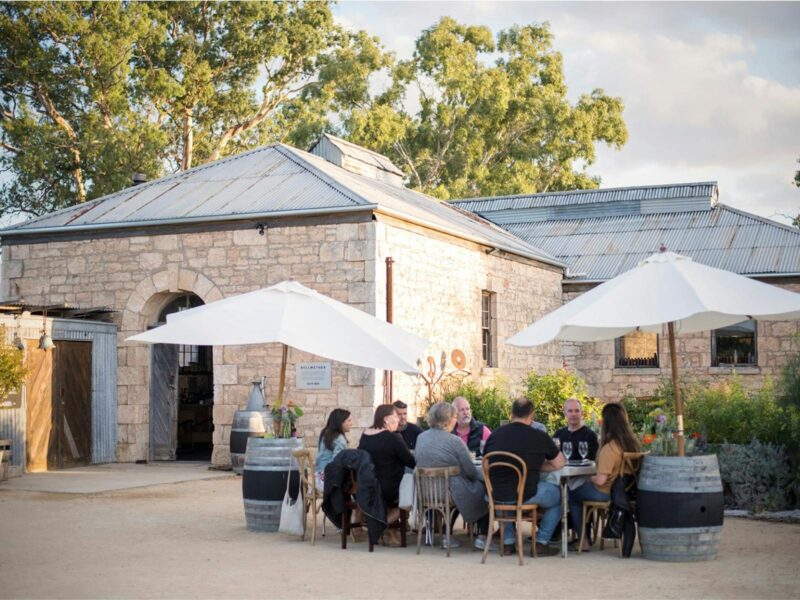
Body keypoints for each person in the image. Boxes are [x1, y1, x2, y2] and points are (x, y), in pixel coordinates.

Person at [483, 398, 564, 556]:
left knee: (503, 495)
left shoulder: (495, 435)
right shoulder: (539, 436)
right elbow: (559, 464)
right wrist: (534, 466)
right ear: (531, 415)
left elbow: (486, 465)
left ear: (511, 414)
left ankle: (508, 544)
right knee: (559, 496)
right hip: (525, 493)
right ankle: (541, 542)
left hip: (494, 495)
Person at [415, 402, 495, 551]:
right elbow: (470, 472)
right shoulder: (454, 441)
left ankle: (446, 536)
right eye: (454, 417)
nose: (456, 420)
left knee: (457, 492)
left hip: (426, 493)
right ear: (448, 420)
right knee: (483, 489)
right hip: (450, 492)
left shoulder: (421, 437)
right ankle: (483, 537)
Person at [567, 402, 641, 551]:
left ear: (606, 423)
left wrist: (588, 477)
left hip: (605, 492)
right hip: (624, 492)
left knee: (571, 493)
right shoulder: (633, 443)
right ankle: (585, 535)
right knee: (577, 489)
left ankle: (583, 540)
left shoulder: (609, 449)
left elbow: (600, 480)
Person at [358, 404, 416, 545]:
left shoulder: (365, 435)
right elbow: (410, 462)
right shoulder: (393, 438)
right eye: (395, 416)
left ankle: (387, 531)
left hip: (368, 485)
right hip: (388, 488)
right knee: (411, 493)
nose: (398, 420)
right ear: (386, 419)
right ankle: (381, 526)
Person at [314, 408, 352, 492]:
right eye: (349, 421)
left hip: (317, 476)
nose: (351, 423)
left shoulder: (325, 433)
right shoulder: (339, 438)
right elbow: (337, 463)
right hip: (327, 480)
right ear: (341, 422)